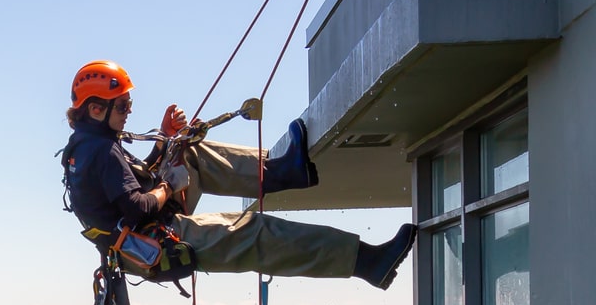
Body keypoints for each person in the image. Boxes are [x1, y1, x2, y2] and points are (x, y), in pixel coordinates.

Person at [62, 60, 416, 288]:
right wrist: (170, 187)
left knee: (190, 149)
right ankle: (367, 262)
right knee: (255, 233)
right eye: (122, 106)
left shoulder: (90, 144)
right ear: (95, 109)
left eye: (129, 105)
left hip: (144, 233)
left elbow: (131, 184)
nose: (128, 112)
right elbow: (138, 207)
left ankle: (279, 172)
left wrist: (166, 143)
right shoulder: (101, 151)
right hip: (153, 242)